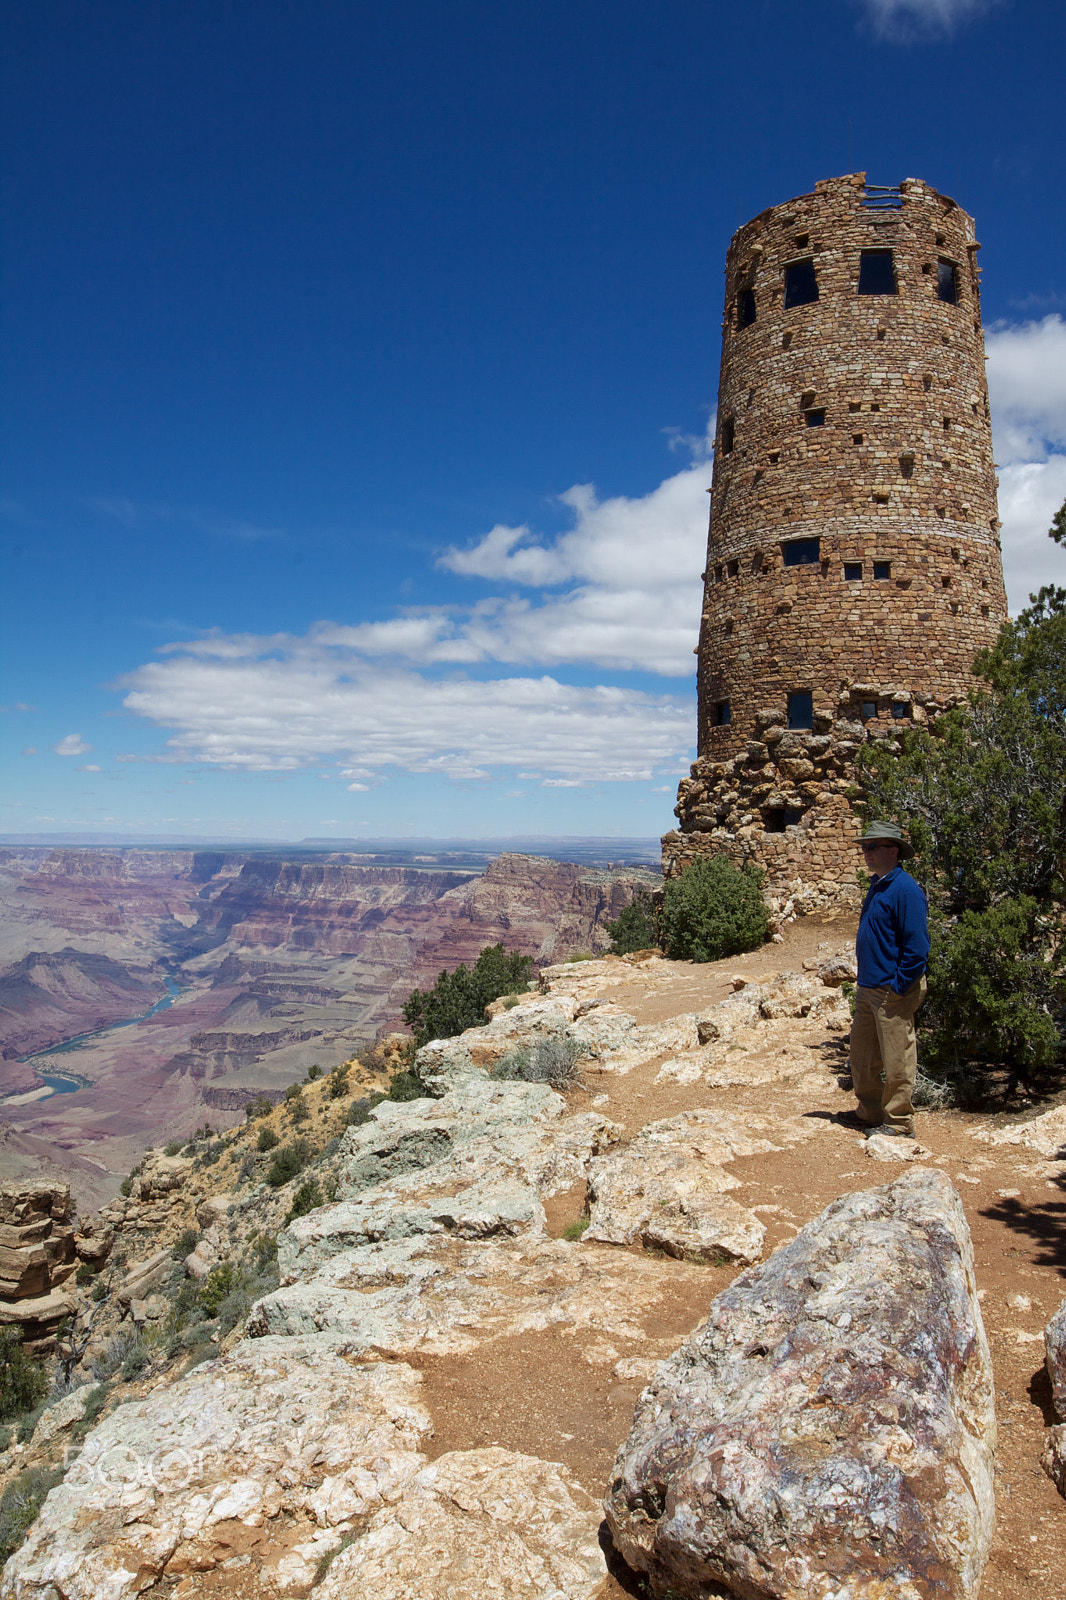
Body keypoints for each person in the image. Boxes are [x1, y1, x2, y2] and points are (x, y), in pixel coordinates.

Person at [846, 820, 929, 1138]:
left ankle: (898, 1121)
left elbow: (917, 947)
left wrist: (899, 985)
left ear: (893, 851)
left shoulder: (905, 889)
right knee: (861, 1056)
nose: (865, 853)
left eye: (872, 847)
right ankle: (870, 1112)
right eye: (864, 847)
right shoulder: (878, 884)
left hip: (892, 988)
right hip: (868, 986)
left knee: (897, 1058)